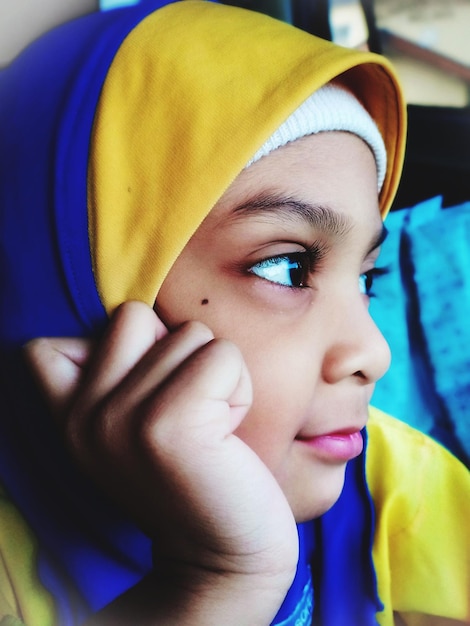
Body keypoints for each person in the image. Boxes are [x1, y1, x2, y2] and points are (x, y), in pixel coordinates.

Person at [0, 1, 468, 625]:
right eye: (287, 268)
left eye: (367, 278)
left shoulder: (393, 481)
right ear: (78, 286)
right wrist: (220, 579)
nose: (372, 353)